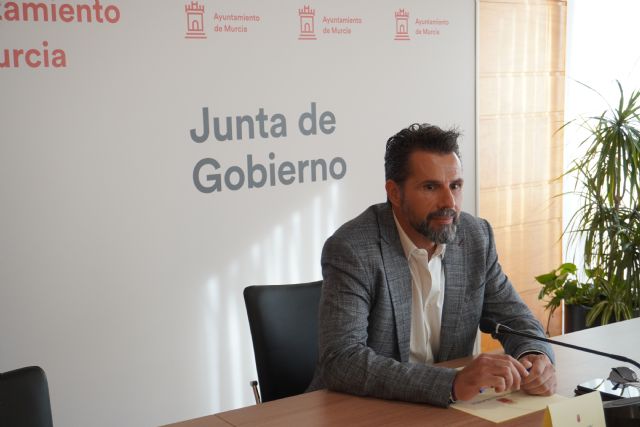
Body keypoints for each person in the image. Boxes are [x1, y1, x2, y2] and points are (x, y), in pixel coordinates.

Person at [307, 123, 557, 406]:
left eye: (455, 186)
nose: (449, 202)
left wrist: (535, 356)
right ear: (395, 193)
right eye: (430, 187)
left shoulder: (475, 237)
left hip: (450, 412)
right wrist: (451, 384)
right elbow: (342, 359)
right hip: (363, 410)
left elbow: (516, 320)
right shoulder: (354, 249)